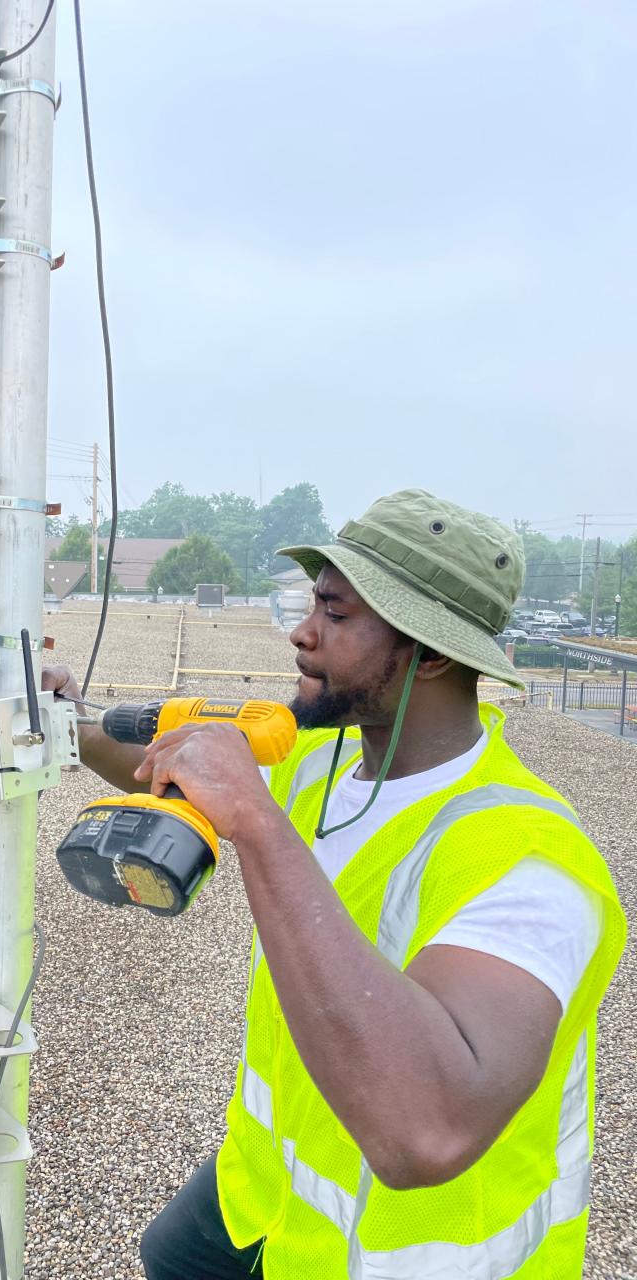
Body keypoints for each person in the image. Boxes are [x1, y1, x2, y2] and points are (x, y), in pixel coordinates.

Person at [42, 489, 627, 1280]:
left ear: (436, 651)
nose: (301, 632)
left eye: (336, 614)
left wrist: (252, 815)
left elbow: (424, 1131)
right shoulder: (321, 765)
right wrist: (59, 722)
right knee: (167, 1255)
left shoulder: (533, 863)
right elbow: (167, 771)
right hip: (264, 1199)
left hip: (393, 1258)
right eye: (310, 604)